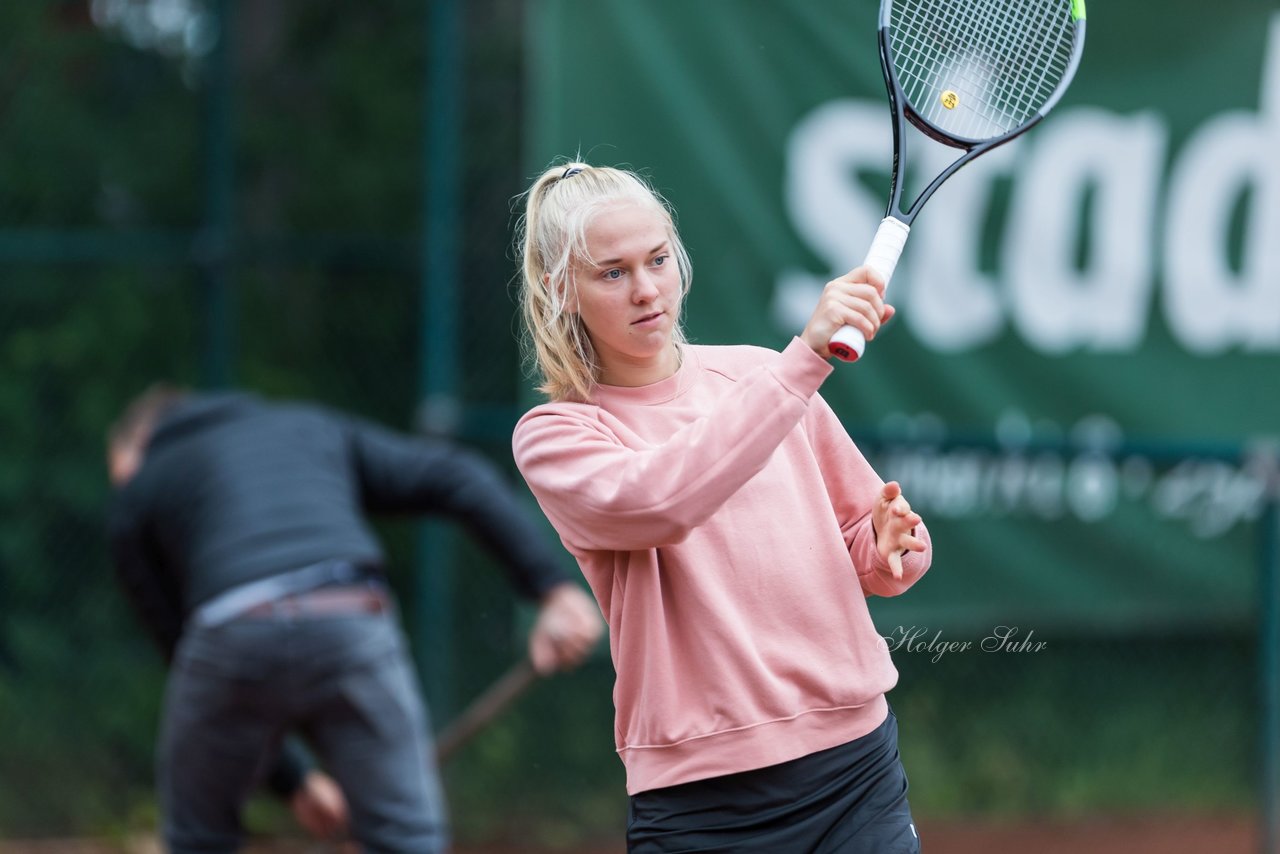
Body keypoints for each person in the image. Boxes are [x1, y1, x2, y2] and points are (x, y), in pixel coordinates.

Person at [510, 161, 933, 853]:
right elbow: (663, 501)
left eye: (656, 260)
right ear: (562, 291)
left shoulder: (760, 373)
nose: (646, 289)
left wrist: (891, 549)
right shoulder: (557, 436)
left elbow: (864, 535)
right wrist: (803, 360)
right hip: (703, 805)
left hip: (857, 767)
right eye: (611, 273)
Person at [105, 385, 604, 853]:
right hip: (348, 615)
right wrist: (551, 590)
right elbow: (456, 475)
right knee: (407, 839)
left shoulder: (144, 483)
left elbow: (184, 648)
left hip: (232, 627)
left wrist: (292, 780)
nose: (123, 489)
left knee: (197, 838)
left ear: (139, 446)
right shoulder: (309, 428)